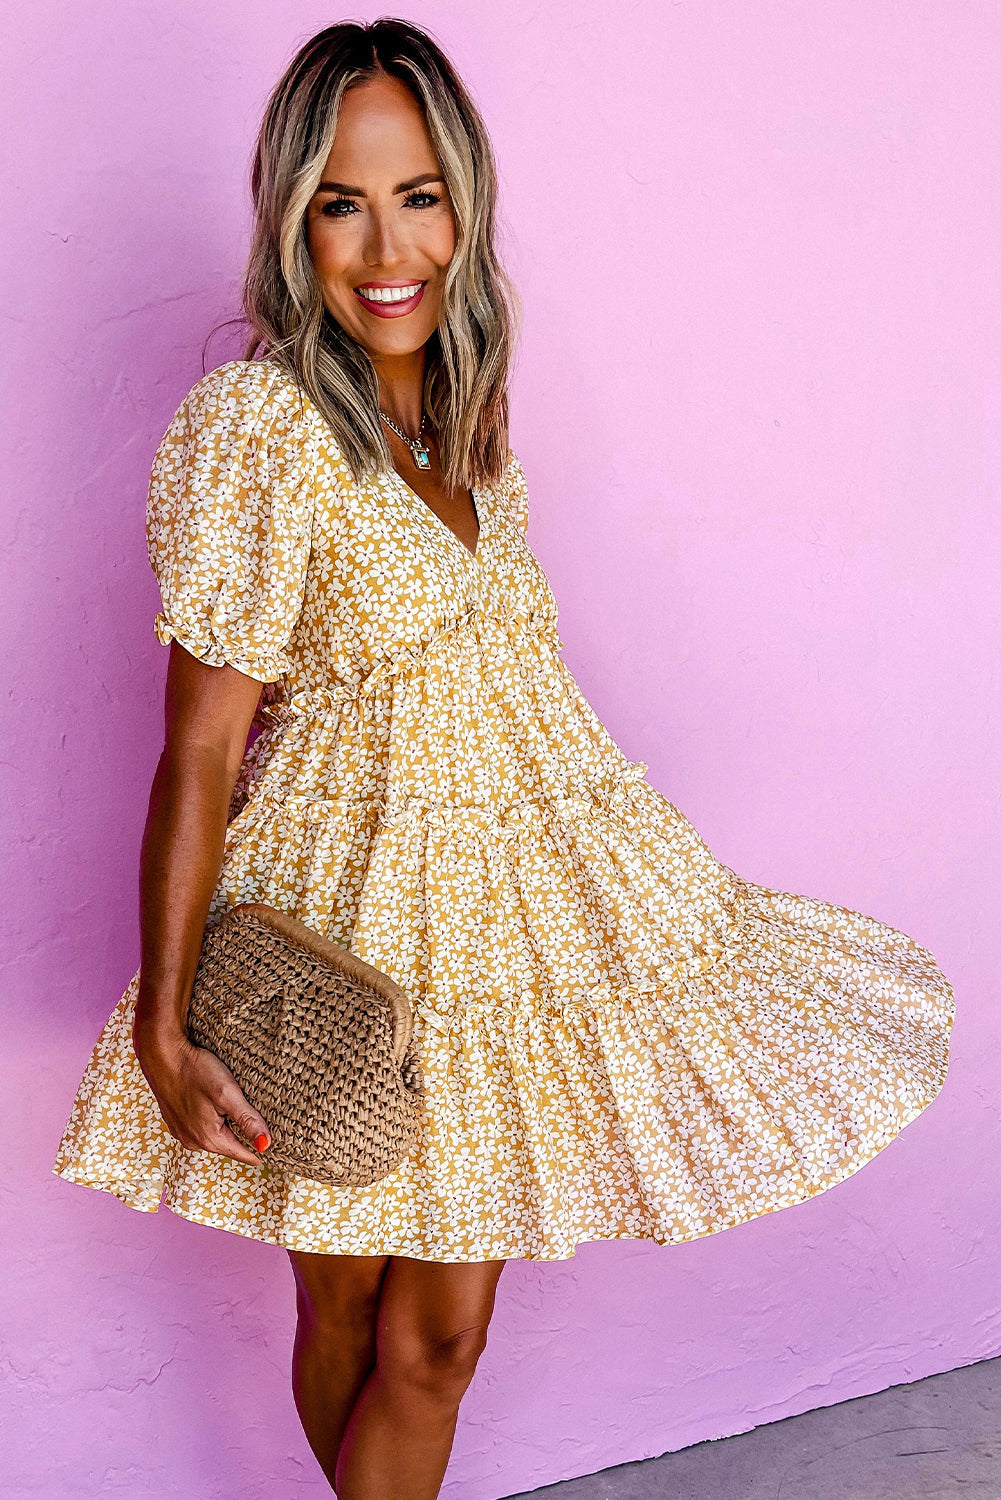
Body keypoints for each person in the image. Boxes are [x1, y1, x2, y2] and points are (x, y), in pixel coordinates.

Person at [52, 18, 956, 1499]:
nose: (387, 247)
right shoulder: (256, 427)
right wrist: (164, 1024)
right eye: (341, 204)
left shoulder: (464, 408)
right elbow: (201, 748)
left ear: (463, 203)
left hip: (505, 917)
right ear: (291, 223)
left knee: (440, 1340)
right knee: (349, 1306)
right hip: (340, 923)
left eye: (419, 197)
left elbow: (505, 677)